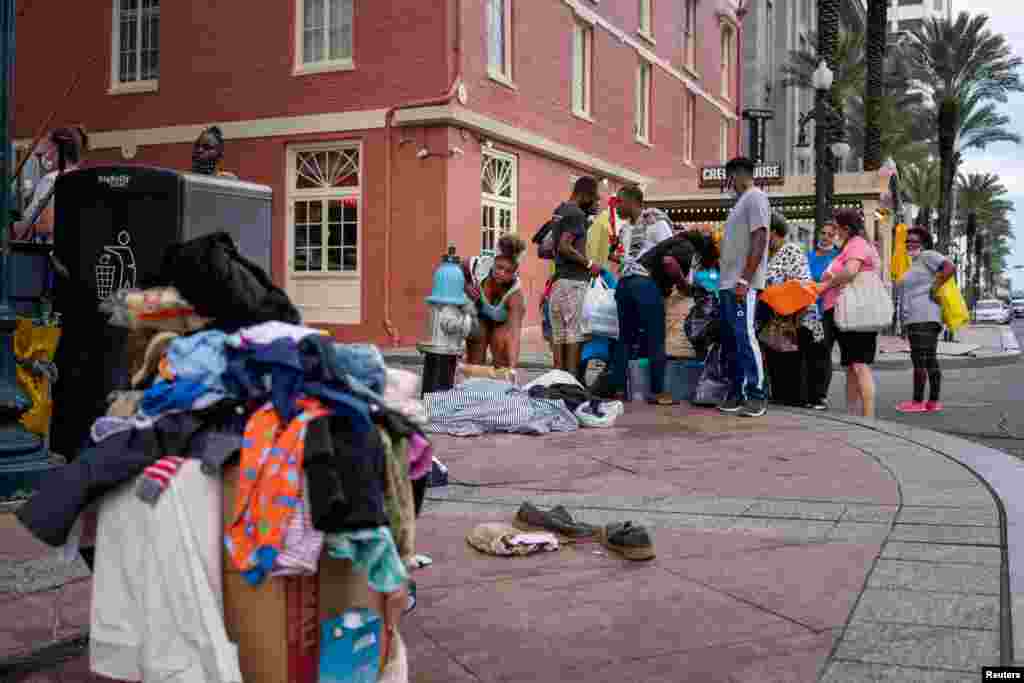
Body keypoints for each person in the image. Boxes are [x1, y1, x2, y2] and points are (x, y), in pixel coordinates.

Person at [599, 185, 677, 404]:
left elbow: (669, 251)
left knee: (627, 338)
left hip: (633, 284)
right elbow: (669, 251)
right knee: (651, 337)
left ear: (634, 201)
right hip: (638, 284)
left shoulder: (654, 222)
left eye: (620, 202)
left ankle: (620, 389)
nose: (617, 207)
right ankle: (657, 391)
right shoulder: (627, 229)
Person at [718, 157, 770, 418]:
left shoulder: (755, 197)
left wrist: (744, 280)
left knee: (745, 336)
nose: (728, 184)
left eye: (729, 178)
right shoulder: (741, 203)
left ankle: (756, 394)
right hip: (728, 283)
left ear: (737, 174)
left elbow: (759, 237)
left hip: (741, 284)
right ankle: (737, 391)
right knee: (733, 339)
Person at [817, 209, 882, 418]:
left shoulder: (857, 245)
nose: (835, 233)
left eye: (837, 228)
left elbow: (851, 271)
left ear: (846, 228)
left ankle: (868, 417)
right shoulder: (854, 245)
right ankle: (854, 416)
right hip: (852, 312)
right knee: (853, 367)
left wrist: (825, 285)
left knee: (859, 365)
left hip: (855, 313)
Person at [760, 213, 825, 407]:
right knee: (780, 360)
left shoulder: (791, 250)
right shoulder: (770, 255)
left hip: (796, 317)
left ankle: (797, 399)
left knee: (794, 362)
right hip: (778, 318)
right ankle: (784, 396)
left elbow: (801, 283)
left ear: (773, 232)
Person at [893, 227, 955, 413]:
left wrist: (935, 286)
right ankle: (931, 402)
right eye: (908, 241)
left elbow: (949, 267)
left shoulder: (928, 255)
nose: (910, 243)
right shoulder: (915, 263)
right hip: (918, 318)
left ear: (924, 243)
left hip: (924, 317)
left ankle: (918, 402)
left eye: (915, 240)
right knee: (928, 360)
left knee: (921, 360)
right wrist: (903, 323)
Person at [548, 176, 602, 376]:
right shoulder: (577, 214)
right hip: (574, 281)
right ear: (585, 194)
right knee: (573, 333)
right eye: (594, 198)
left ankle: (558, 380)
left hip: (559, 281)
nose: (595, 202)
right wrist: (589, 264)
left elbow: (548, 247)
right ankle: (571, 381)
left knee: (559, 334)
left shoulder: (559, 211)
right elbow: (564, 246)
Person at [462, 235, 528, 369]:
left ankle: (501, 384)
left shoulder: (515, 295)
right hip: (480, 316)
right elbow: (457, 270)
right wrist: (466, 286)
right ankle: (473, 385)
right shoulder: (477, 265)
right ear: (493, 262)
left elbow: (514, 335)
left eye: (508, 271)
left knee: (500, 343)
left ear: (515, 272)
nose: (502, 273)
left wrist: (512, 369)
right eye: (499, 267)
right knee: (476, 353)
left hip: (501, 323)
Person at [12, 126, 88, 243]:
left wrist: (13, 228)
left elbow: (47, 225)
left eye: (48, 146)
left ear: (56, 149)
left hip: (49, 254)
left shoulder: (51, 180)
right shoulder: (83, 179)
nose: (46, 154)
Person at [805, 221, 841, 409]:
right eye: (823, 233)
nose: (825, 237)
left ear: (835, 237)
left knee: (822, 352)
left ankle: (821, 396)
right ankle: (809, 395)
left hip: (827, 311)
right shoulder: (808, 256)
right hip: (807, 311)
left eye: (829, 234)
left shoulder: (837, 257)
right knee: (810, 352)